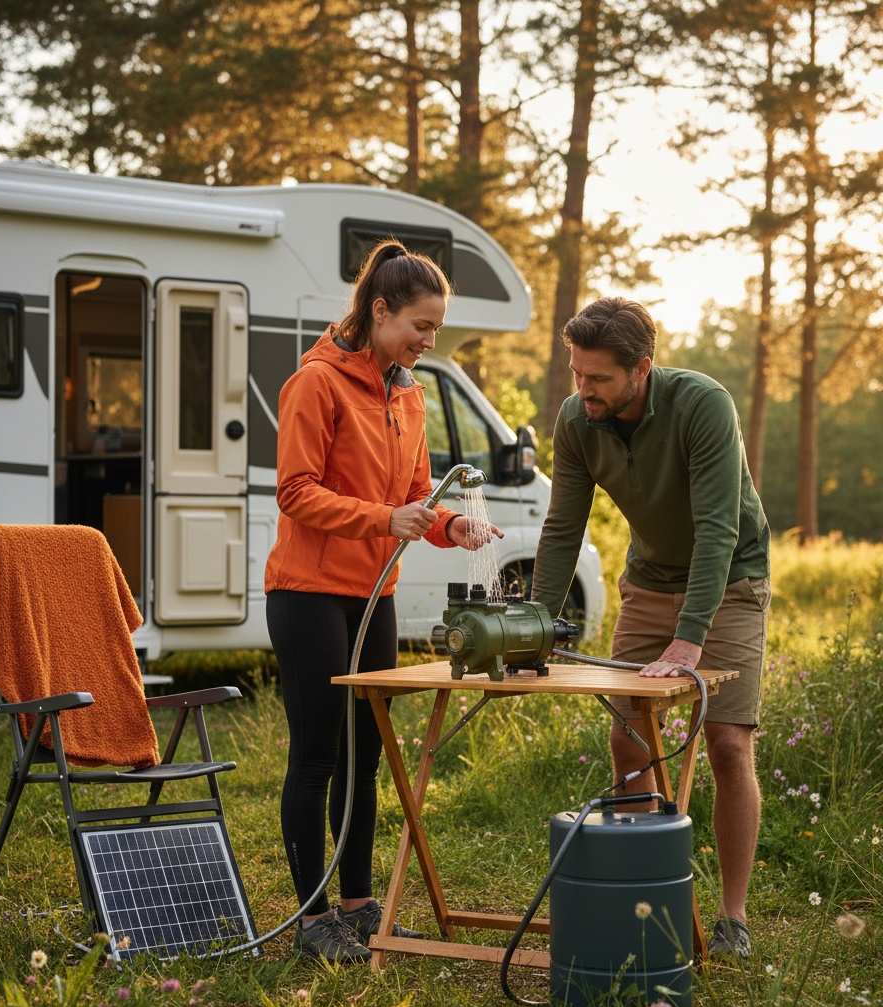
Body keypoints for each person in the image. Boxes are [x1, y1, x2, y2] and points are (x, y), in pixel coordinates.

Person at [265, 238, 502, 964]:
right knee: (317, 755)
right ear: (379, 310)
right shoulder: (317, 383)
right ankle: (311, 918)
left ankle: (360, 904)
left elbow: (410, 499)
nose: (429, 342)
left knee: (367, 753)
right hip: (309, 594)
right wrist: (381, 519)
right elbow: (296, 491)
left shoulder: (409, 392)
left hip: (376, 593)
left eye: (435, 329)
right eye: (420, 326)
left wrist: (449, 523)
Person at [531, 297, 771, 959]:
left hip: (732, 582)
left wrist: (691, 635)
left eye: (598, 378)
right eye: (577, 374)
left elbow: (720, 527)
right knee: (629, 731)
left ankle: (732, 916)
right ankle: (647, 894)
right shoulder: (578, 421)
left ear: (642, 369)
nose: (583, 390)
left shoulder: (702, 405)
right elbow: (561, 528)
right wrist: (534, 625)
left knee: (726, 740)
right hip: (650, 580)